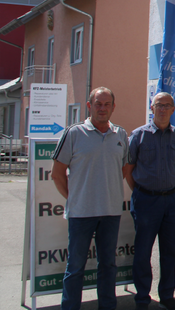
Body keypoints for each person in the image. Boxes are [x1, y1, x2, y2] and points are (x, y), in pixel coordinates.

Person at [51, 87, 128, 310]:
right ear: (89, 106)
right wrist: (76, 196)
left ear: (113, 107)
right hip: (80, 214)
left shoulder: (121, 134)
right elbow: (57, 174)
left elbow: (124, 168)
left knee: (108, 266)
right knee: (75, 268)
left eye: (106, 104)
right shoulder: (73, 133)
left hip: (111, 213)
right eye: (98, 104)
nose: (102, 108)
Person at [123, 92, 175, 310]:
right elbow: (128, 170)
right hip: (146, 201)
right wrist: (142, 192)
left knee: (170, 251)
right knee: (143, 251)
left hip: (173, 200)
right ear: (152, 108)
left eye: (167, 105)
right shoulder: (138, 135)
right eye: (159, 105)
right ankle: (142, 298)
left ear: (172, 109)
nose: (162, 109)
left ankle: (167, 295)